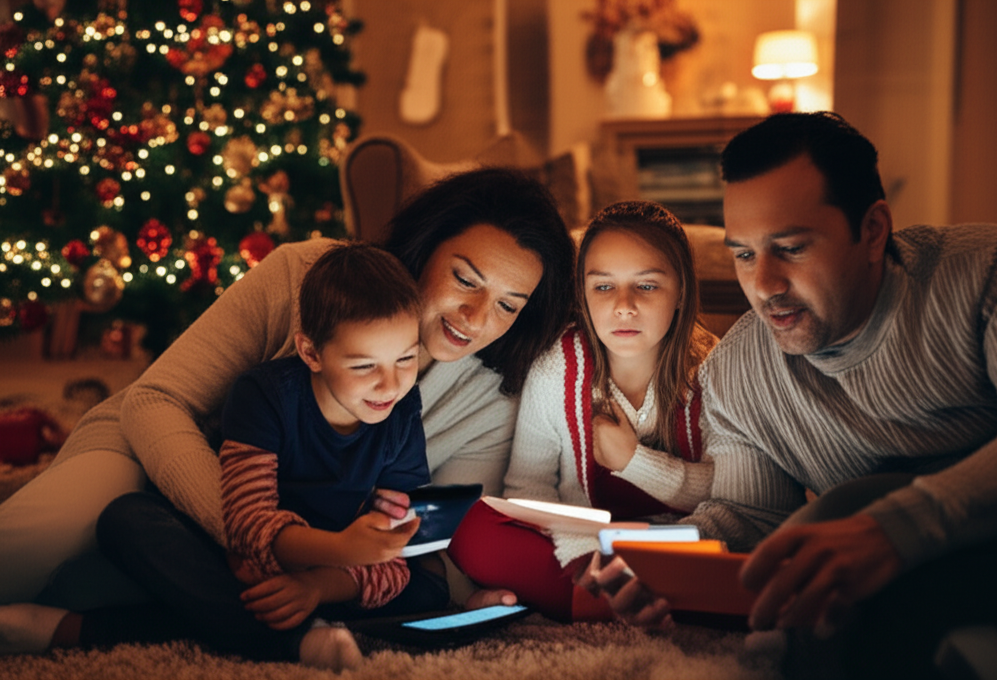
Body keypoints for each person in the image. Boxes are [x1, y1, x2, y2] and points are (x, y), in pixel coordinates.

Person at [0, 166, 577, 616]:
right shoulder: (304, 274)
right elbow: (153, 404)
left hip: (296, 554)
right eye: (465, 279)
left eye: (507, 305)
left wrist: (440, 595)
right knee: (25, 553)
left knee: (91, 595)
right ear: (427, 248)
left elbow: (424, 543)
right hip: (146, 456)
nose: (475, 318)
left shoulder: (491, 400)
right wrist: (260, 541)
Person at [579, 112, 997, 679]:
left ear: (872, 231)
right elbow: (751, 516)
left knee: (844, 511)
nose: (763, 285)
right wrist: (664, 562)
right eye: (743, 254)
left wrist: (895, 527)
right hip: (884, 608)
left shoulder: (992, 276)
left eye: (789, 248)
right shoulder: (738, 370)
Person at [1, 242, 445, 669]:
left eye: (406, 359)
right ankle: (297, 641)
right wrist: (341, 549)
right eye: (365, 366)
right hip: (234, 554)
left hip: (324, 570)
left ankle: (80, 631)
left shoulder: (401, 414)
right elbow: (247, 523)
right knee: (127, 518)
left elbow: (393, 552)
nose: (390, 385)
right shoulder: (265, 395)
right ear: (311, 352)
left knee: (426, 591)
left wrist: (315, 587)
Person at [447, 201, 718, 622]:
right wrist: (589, 559)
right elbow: (529, 488)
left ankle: (615, 605)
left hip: (681, 544)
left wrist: (633, 461)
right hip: (585, 550)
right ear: (583, 292)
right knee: (472, 529)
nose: (623, 306)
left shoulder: (714, 371)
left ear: (681, 289)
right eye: (604, 287)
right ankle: (626, 600)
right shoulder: (559, 363)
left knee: (766, 541)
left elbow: (729, 493)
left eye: (646, 286)